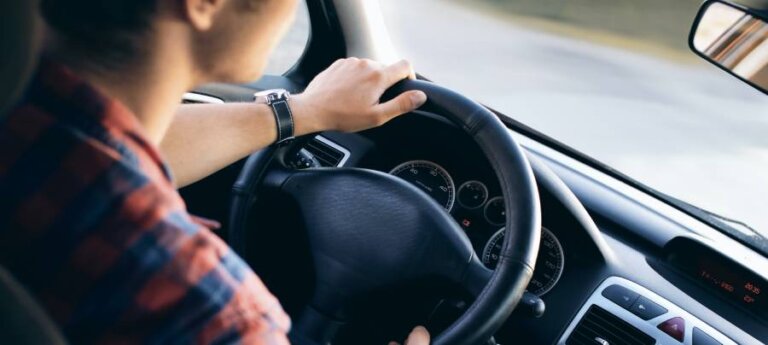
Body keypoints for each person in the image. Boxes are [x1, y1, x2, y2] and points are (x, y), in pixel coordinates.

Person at [0, 0, 431, 343]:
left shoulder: (25, 118)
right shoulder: (209, 313)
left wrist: (300, 112)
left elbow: (111, 142)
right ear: (204, 3)